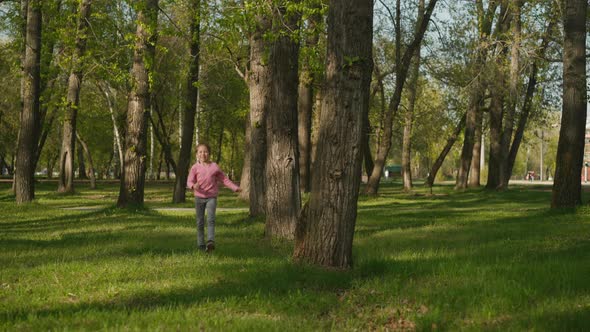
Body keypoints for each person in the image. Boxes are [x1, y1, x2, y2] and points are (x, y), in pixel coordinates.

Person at [186, 143, 241, 252]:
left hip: (211, 197)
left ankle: (210, 241)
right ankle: (201, 245)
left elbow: (224, 179)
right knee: (200, 222)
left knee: (211, 220)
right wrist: (193, 186)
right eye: (200, 152)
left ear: (209, 154)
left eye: (205, 151)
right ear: (197, 154)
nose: (203, 154)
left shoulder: (214, 167)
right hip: (199, 198)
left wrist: (235, 188)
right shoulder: (194, 167)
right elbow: (189, 181)